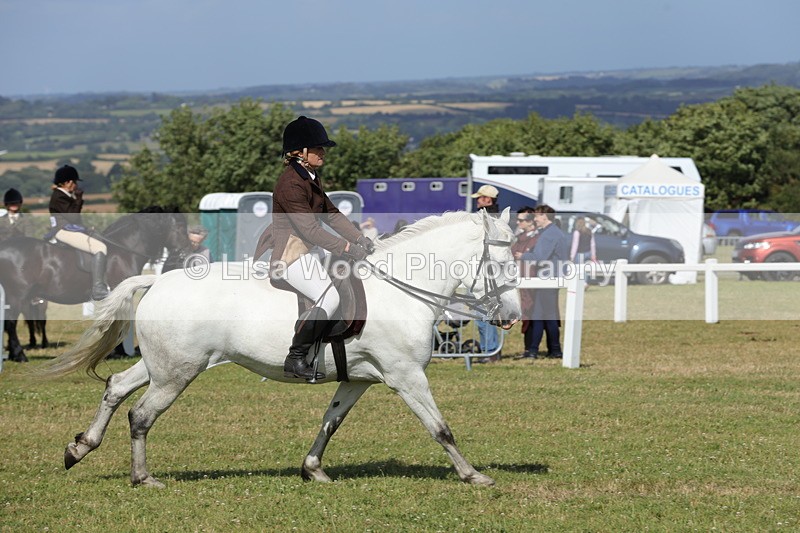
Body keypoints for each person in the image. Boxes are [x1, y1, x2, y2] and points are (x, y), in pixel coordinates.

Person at [268, 116, 375, 380]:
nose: (323, 152)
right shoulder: (291, 183)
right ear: (300, 152)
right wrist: (347, 247)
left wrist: (359, 238)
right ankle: (295, 357)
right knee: (329, 298)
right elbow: (310, 230)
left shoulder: (310, 177)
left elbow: (332, 214)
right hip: (291, 254)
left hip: (309, 250)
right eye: (317, 148)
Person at [49, 165, 109, 300]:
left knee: (101, 239)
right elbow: (73, 217)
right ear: (68, 182)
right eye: (74, 182)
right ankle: (98, 288)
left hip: (70, 229)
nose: (76, 185)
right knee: (100, 247)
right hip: (63, 231)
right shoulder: (59, 196)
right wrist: (79, 199)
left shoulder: (64, 195)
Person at [520, 204, 570, 359]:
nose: (535, 219)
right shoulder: (554, 232)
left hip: (548, 279)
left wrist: (523, 256)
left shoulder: (549, 234)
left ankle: (537, 351)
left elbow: (539, 258)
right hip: (552, 278)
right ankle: (552, 350)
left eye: (536, 216)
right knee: (547, 315)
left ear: (543, 216)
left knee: (542, 314)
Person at [471, 184, 501, 362]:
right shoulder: (484, 217)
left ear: (487, 200)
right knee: (481, 316)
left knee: (485, 315)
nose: (477, 200)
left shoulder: (490, 219)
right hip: (479, 272)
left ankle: (490, 351)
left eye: (480, 197)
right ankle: (487, 350)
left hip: (486, 275)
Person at [511, 207, 540, 359]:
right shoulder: (521, 237)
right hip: (521, 280)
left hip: (533, 280)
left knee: (532, 314)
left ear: (530, 222)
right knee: (526, 313)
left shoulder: (537, 239)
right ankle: (528, 348)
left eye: (521, 220)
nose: (518, 222)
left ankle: (532, 349)